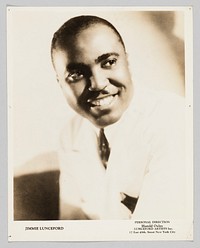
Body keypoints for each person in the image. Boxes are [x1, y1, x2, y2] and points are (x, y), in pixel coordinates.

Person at [14, 15, 185, 220]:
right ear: (60, 83)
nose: (97, 83)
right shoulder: (71, 133)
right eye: (76, 74)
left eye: (109, 62)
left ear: (127, 62)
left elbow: (160, 235)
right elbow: (70, 225)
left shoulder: (173, 120)